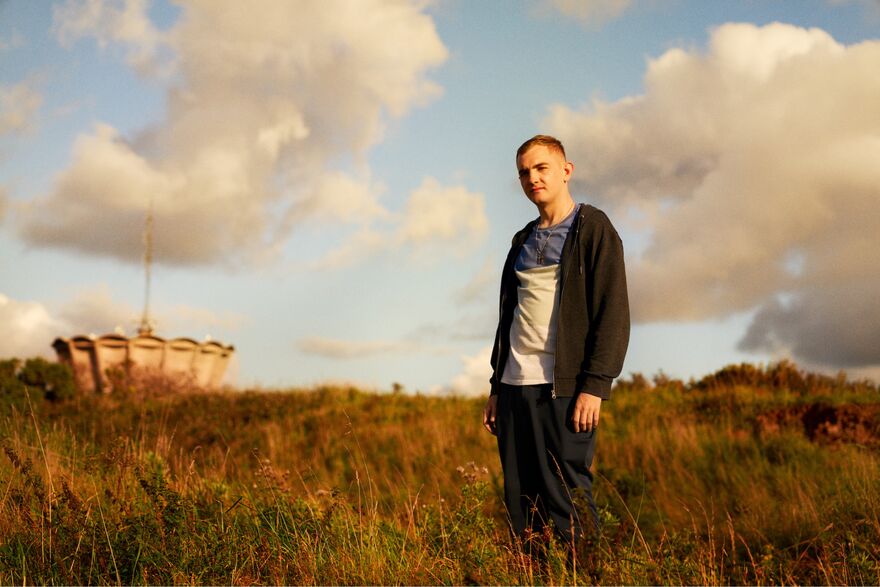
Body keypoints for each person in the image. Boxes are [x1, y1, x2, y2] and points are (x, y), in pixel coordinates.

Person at [482, 135, 630, 550]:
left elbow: (613, 312)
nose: (532, 178)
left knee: (568, 497)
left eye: (541, 167)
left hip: (564, 389)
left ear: (566, 170)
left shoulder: (593, 228)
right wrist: (496, 387)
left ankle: (584, 574)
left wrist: (595, 386)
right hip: (514, 388)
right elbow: (508, 318)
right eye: (524, 172)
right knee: (522, 502)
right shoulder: (522, 240)